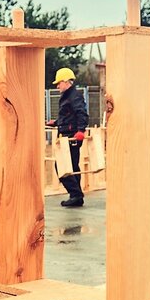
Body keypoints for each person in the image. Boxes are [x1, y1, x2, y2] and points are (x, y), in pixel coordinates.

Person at [52, 67, 89, 207]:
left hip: (71, 137)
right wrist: (56, 122)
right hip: (67, 135)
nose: (57, 85)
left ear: (67, 82)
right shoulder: (68, 96)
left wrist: (81, 130)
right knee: (72, 166)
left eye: (59, 82)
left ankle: (76, 194)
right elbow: (68, 116)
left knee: (61, 166)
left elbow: (81, 114)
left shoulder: (74, 96)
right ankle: (76, 196)